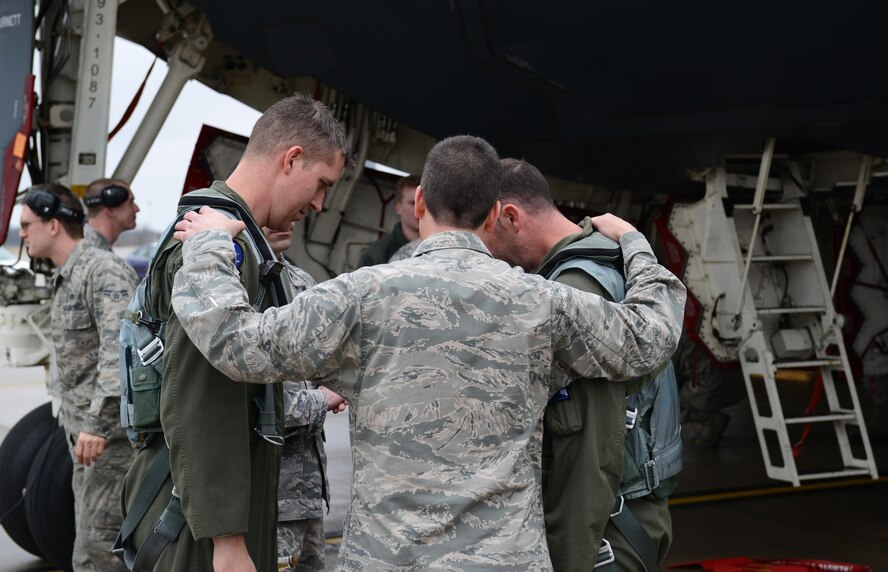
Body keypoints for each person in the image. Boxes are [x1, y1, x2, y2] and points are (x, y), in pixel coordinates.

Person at [169, 135, 686, 570]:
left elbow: (235, 343)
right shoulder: (544, 303)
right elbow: (651, 335)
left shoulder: (359, 296)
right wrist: (635, 245)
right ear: (491, 216)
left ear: (419, 203)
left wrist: (210, 244)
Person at [120, 92, 351, 572]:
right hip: (199, 516)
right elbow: (204, 395)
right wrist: (226, 537)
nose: (320, 202)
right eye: (321, 183)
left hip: (199, 500)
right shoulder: (225, 248)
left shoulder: (230, 236)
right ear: (292, 159)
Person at [481, 158, 683, 571]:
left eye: (484, 232)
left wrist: (571, 559)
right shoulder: (614, 257)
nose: (485, 251)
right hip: (630, 518)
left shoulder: (575, 289)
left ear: (510, 217)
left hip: (604, 536)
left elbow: (594, 447)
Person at [19, 184, 138, 571]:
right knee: (91, 547)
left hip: (111, 445)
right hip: (88, 444)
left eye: (27, 225)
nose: (21, 234)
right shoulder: (70, 274)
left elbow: (122, 352)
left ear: (53, 225)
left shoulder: (101, 271)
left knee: (98, 554)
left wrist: (98, 424)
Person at [264, 226, 347, 571]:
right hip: (270, 501)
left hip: (309, 494)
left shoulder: (302, 284)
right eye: (273, 215)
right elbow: (257, 407)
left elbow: (323, 367)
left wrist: (335, 385)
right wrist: (321, 400)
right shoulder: (242, 290)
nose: (287, 223)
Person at [357, 174, 420, 267]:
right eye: (413, 203)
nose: (419, 209)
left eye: (424, 203)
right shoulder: (377, 254)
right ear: (399, 208)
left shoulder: (439, 248)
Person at [82, 178, 140, 250]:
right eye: (130, 203)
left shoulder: (78, 245)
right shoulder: (101, 258)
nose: (137, 209)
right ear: (110, 210)